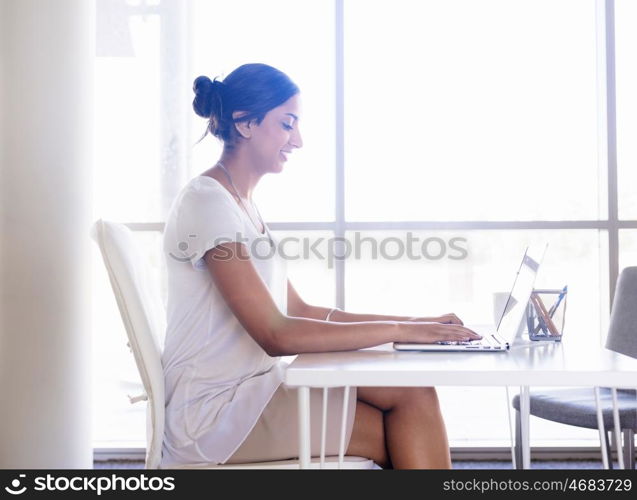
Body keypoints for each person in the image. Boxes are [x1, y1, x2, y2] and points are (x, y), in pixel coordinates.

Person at [161, 63, 481, 469]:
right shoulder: (208, 203)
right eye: (286, 124)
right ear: (245, 124)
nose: (298, 140)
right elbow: (276, 335)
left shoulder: (241, 205)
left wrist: (413, 321)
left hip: (257, 391)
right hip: (215, 416)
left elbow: (300, 312)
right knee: (404, 431)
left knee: (412, 392)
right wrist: (403, 331)